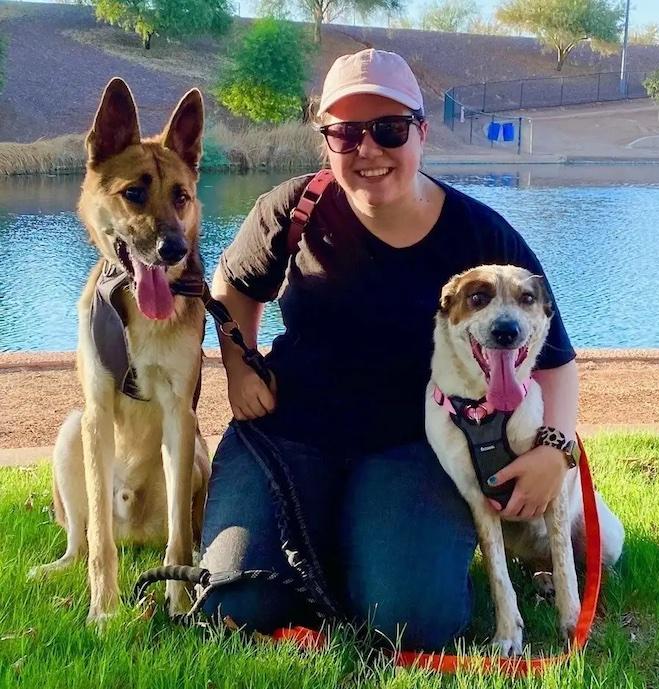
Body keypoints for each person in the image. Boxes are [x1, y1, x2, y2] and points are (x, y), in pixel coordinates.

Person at [200, 48, 578, 651]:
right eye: (345, 134)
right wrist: (238, 364)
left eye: (389, 129)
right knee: (237, 608)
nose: (367, 149)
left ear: (421, 133)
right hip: (289, 433)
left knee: (413, 623)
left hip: (414, 448)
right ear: (327, 142)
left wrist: (554, 452)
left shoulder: (479, 235)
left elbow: (555, 360)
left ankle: (366, 534)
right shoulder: (292, 209)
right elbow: (232, 287)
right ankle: (331, 528)